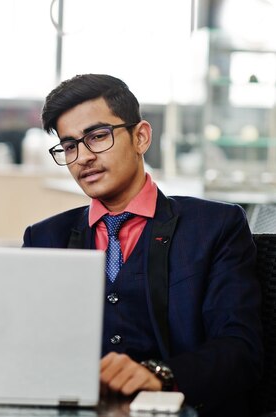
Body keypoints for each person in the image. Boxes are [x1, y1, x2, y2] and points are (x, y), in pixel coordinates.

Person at [23, 74, 262, 416]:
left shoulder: (215, 227)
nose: (83, 157)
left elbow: (241, 351)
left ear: (141, 137)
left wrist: (160, 375)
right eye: (70, 145)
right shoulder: (44, 239)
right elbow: (22, 349)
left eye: (97, 137)